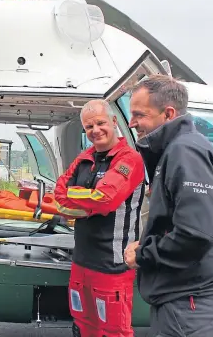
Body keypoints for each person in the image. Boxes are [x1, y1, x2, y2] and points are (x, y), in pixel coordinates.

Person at [124, 75, 213, 336]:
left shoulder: (184, 151)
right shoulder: (179, 149)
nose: (132, 123)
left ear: (168, 113)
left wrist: (143, 253)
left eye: (139, 115)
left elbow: (195, 233)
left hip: (193, 304)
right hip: (190, 299)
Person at [54, 99, 146, 337]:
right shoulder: (85, 157)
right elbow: (59, 196)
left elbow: (106, 199)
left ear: (114, 122)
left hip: (112, 265)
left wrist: (78, 198)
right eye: (88, 127)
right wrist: (89, 202)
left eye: (101, 123)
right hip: (82, 261)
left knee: (114, 330)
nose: (95, 130)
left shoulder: (130, 159)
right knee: (83, 324)